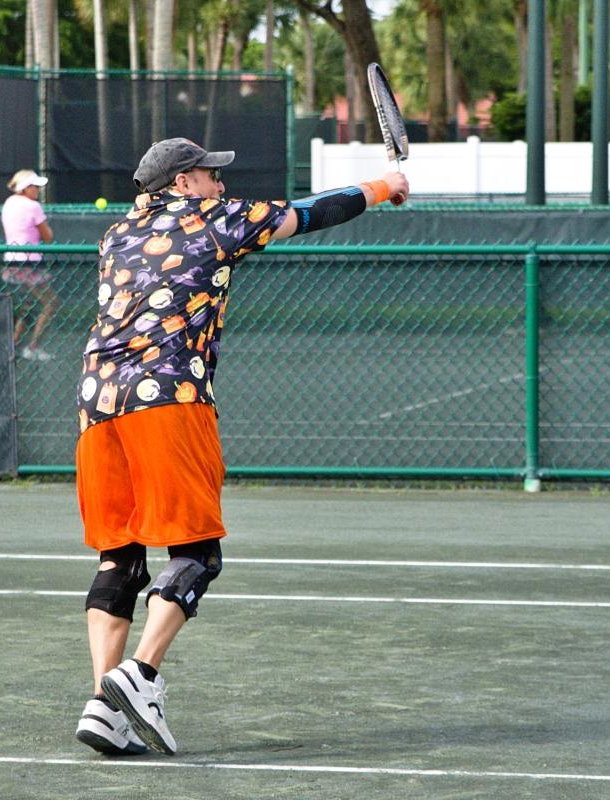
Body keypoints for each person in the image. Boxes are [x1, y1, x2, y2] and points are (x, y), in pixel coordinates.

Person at [72, 137, 408, 757]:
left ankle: (104, 705)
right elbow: (314, 212)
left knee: (119, 558)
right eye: (207, 175)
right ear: (180, 184)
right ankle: (139, 677)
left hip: (96, 403)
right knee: (198, 553)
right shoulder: (215, 220)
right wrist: (385, 186)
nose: (219, 184)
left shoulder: (115, 233)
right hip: (168, 398)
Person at [1, 169, 59, 362]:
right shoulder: (33, 206)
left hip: (11, 264)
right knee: (51, 304)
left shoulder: (8, 204)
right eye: (35, 186)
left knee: (27, 306)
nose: (38, 190)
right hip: (29, 265)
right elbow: (48, 237)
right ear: (25, 188)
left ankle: (11, 347)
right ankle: (32, 347)